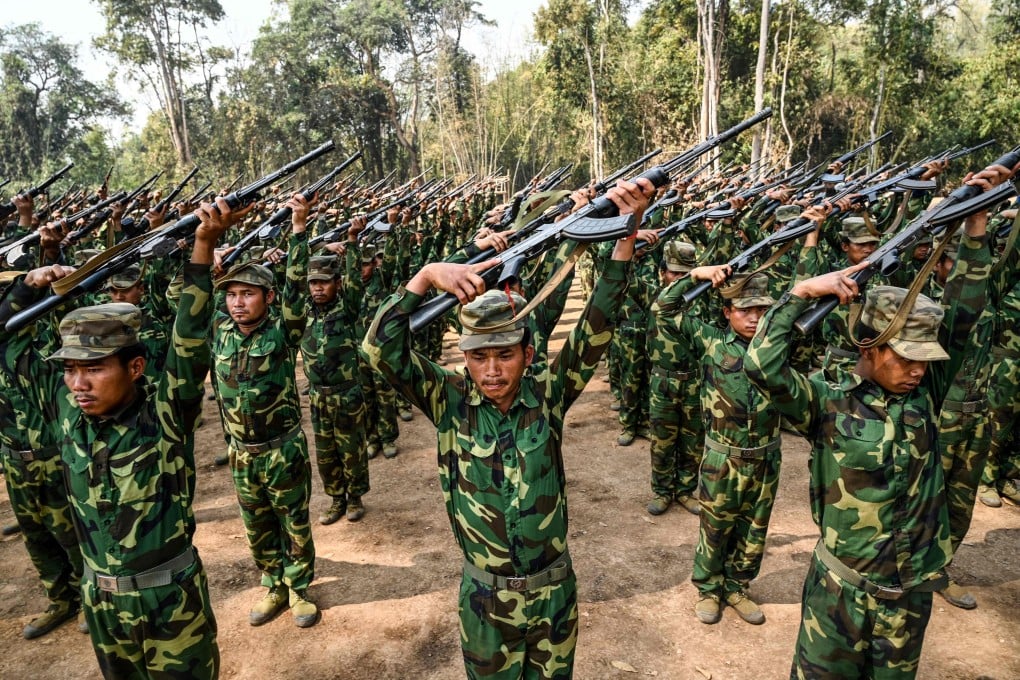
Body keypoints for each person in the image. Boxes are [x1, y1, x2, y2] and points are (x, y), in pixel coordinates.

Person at [362, 178, 652, 679]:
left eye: (504, 355)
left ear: (528, 354)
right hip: (484, 600)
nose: (492, 370)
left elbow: (597, 324)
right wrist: (427, 275)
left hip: (552, 592)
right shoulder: (448, 399)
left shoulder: (548, 394)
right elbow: (378, 349)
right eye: (478, 357)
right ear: (463, 358)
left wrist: (625, 237)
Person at [744, 160, 1013, 678]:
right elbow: (762, 366)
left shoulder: (926, 393)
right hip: (839, 595)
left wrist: (977, 223)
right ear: (867, 346)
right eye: (903, 356)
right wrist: (799, 293)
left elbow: (963, 309)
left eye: (923, 358)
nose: (916, 370)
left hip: (909, 599)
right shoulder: (825, 401)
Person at [0, 194, 242, 678]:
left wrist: (202, 246)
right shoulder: (66, 413)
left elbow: (189, 341)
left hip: (170, 603)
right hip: (102, 602)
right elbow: (10, 335)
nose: (78, 383)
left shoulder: (165, 416)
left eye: (93, 369)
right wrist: (34, 279)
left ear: (134, 368)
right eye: (68, 370)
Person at [211, 192, 319, 628]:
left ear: (267, 298)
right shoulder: (218, 333)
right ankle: (272, 583)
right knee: (255, 524)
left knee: (293, 521)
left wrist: (297, 229)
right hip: (242, 451)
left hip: (282, 449)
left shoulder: (282, 330)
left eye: (248, 294)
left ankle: (298, 589)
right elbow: (183, 296)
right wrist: (204, 248)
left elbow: (296, 289)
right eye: (232, 294)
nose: (238, 302)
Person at [301, 216, 371, 524]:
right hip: (318, 397)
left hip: (347, 395)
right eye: (313, 283)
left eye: (324, 282)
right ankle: (336, 499)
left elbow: (355, 280)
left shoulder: (347, 307)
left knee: (351, 448)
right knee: (325, 452)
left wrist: (353, 241)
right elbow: (286, 275)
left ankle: (355, 497)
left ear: (337, 284)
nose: (318, 288)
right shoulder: (302, 314)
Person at [645, 240, 703, 516]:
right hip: (663, 382)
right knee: (663, 441)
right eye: (675, 273)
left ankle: (685, 490)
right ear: (663, 272)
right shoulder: (658, 299)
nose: (679, 279)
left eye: (685, 273)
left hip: (694, 381)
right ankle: (662, 490)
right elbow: (665, 304)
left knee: (693, 441)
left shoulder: (701, 303)